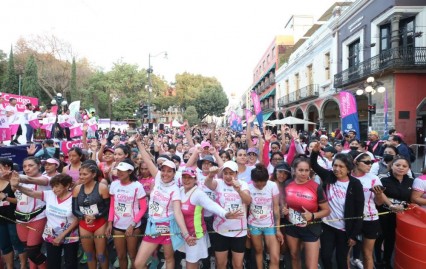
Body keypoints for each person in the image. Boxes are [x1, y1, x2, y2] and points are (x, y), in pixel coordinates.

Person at [134, 136, 195, 269]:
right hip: (153, 226)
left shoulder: (175, 190)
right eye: (164, 170)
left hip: (168, 226)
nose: (165, 174)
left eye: (169, 171)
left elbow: (178, 213)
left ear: (174, 173)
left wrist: (185, 233)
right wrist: (138, 143)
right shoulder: (156, 177)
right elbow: (147, 159)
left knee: (168, 258)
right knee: (138, 264)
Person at [310, 142, 364, 269]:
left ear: (349, 169)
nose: (337, 169)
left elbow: (359, 211)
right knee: (325, 256)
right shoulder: (329, 176)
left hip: (345, 230)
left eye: (341, 166)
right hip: (328, 225)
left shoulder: (355, 184)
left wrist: (354, 235)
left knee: (341, 259)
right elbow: (314, 165)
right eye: (335, 165)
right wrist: (314, 153)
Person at [177, 167, 243, 269]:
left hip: (195, 235)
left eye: (190, 178)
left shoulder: (198, 194)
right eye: (184, 177)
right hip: (183, 234)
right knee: (190, 263)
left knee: (191, 264)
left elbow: (212, 205)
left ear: (195, 180)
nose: (186, 180)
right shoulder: (180, 191)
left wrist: (225, 214)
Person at [11, 173, 79, 269]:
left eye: (57, 186)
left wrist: (61, 236)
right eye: (52, 187)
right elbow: (31, 192)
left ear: (67, 185)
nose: (54, 189)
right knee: (52, 263)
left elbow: (77, 219)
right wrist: (17, 186)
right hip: (50, 235)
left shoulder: (74, 198)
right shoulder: (49, 194)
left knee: (70, 264)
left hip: (70, 236)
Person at [282, 157, 330, 269]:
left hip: (311, 228)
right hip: (292, 227)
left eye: (306, 170)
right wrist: (284, 209)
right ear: (294, 170)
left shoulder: (316, 187)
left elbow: (327, 210)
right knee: (294, 256)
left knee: (311, 265)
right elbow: (285, 203)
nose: (304, 173)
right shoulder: (287, 184)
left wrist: (313, 215)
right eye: (300, 170)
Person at [204, 161, 252, 269]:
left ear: (236, 174)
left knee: (237, 265)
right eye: (225, 173)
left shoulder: (243, 184)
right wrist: (211, 174)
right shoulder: (219, 183)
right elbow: (207, 183)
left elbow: (248, 201)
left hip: (238, 232)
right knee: (221, 264)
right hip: (220, 230)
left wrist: (239, 190)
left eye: (231, 173)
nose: (228, 176)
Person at [350, 152, 390, 269]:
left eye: (371, 162)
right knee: (346, 252)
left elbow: (378, 202)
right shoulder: (347, 177)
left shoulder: (374, 178)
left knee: (367, 253)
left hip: (370, 218)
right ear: (356, 162)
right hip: (351, 219)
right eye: (367, 162)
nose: (370, 165)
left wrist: (378, 195)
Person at [106, 159, 147, 269]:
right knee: (121, 256)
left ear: (130, 172)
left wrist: (132, 224)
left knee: (133, 256)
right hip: (117, 226)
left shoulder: (137, 186)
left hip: (132, 227)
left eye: (122, 170)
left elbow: (143, 208)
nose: (119, 173)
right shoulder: (114, 184)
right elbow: (112, 205)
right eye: (118, 170)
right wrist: (110, 223)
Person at [12, 157, 50, 269]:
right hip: (20, 219)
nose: (27, 168)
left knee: (33, 251)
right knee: (29, 251)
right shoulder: (18, 179)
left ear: (39, 166)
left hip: (38, 218)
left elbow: (30, 180)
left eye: (31, 165)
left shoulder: (46, 178)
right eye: (24, 166)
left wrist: (16, 180)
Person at [375, 156, 413, 268]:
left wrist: (403, 205)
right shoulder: (382, 178)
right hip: (384, 213)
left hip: (402, 215)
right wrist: (391, 205)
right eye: (398, 165)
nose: (401, 168)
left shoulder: (411, 181)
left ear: (408, 169)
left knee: (391, 238)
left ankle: (386, 261)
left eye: (404, 166)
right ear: (391, 166)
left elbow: (412, 198)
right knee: (380, 237)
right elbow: (380, 194)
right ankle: (378, 260)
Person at [72, 163, 110, 269]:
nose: (81, 177)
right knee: (89, 254)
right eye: (80, 174)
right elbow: (74, 210)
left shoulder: (102, 187)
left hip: (100, 223)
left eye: (85, 174)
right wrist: (85, 216)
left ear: (93, 175)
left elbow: (107, 208)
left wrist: (95, 216)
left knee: (101, 254)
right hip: (84, 224)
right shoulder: (77, 189)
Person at [248, 163, 283, 269]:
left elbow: (276, 208)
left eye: (263, 183)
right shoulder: (248, 187)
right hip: (254, 225)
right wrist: (246, 227)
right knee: (258, 252)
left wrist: (278, 229)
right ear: (252, 180)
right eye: (257, 183)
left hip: (270, 225)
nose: (260, 186)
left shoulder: (272, 185)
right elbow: (245, 207)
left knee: (275, 257)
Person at [0, 158, 27, 269]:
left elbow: (21, 200)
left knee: (17, 242)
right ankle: (10, 266)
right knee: (4, 245)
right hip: (1, 219)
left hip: (13, 217)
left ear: (7, 167)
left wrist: (6, 197)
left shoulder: (14, 181)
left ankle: (23, 265)